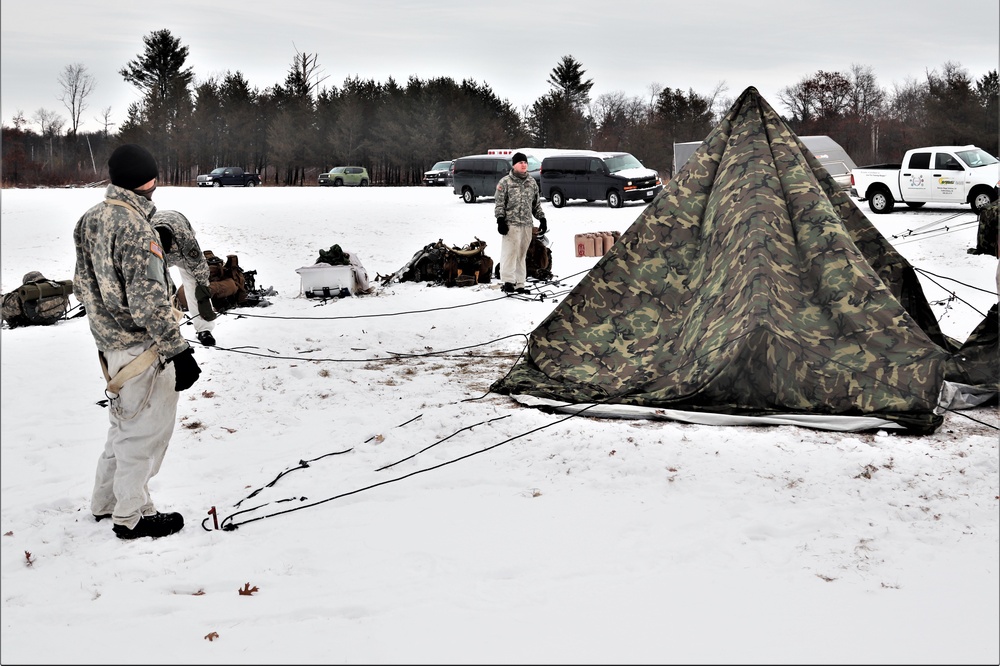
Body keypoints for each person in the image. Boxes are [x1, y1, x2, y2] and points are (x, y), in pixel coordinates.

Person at [73, 143, 202, 540]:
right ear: (149, 180)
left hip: (112, 350)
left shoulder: (90, 218)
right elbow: (148, 301)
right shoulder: (135, 226)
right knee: (144, 434)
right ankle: (131, 516)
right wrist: (178, 351)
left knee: (122, 430)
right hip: (142, 350)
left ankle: (106, 503)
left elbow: (82, 286)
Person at [152, 210, 219, 346]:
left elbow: (198, 266)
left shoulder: (185, 238)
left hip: (182, 247)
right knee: (156, 289)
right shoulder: (145, 237)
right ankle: (163, 331)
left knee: (195, 286)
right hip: (155, 257)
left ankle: (204, 330)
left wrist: (203, 290)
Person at [494, 151, 547, 294]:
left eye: (525, 162)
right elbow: (499, 204)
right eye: (520, 163)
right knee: (510, 253)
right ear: (514, 165)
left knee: (522, 254)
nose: (523, 165)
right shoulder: (505, 182)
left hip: (526, 225)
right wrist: (500, 220)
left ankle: (520, 283)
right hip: (511, 225)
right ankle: (508, 281)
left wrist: (542, 218)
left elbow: (536, 205)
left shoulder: (531, 182)